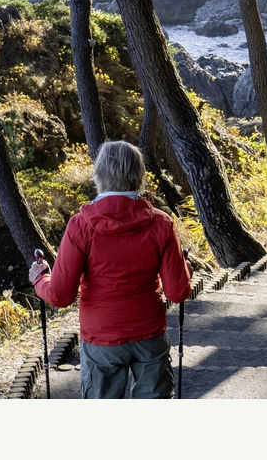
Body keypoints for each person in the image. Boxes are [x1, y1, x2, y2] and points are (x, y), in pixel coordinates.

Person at [30, 140, 191, 399]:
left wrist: (40, 278)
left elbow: (60, 295)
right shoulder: (161, 223)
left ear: (99, 175)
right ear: (139, 175)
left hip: (101, 338)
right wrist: (185, 269)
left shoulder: (81, 226)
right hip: (149, 333)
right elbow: (178, 292)